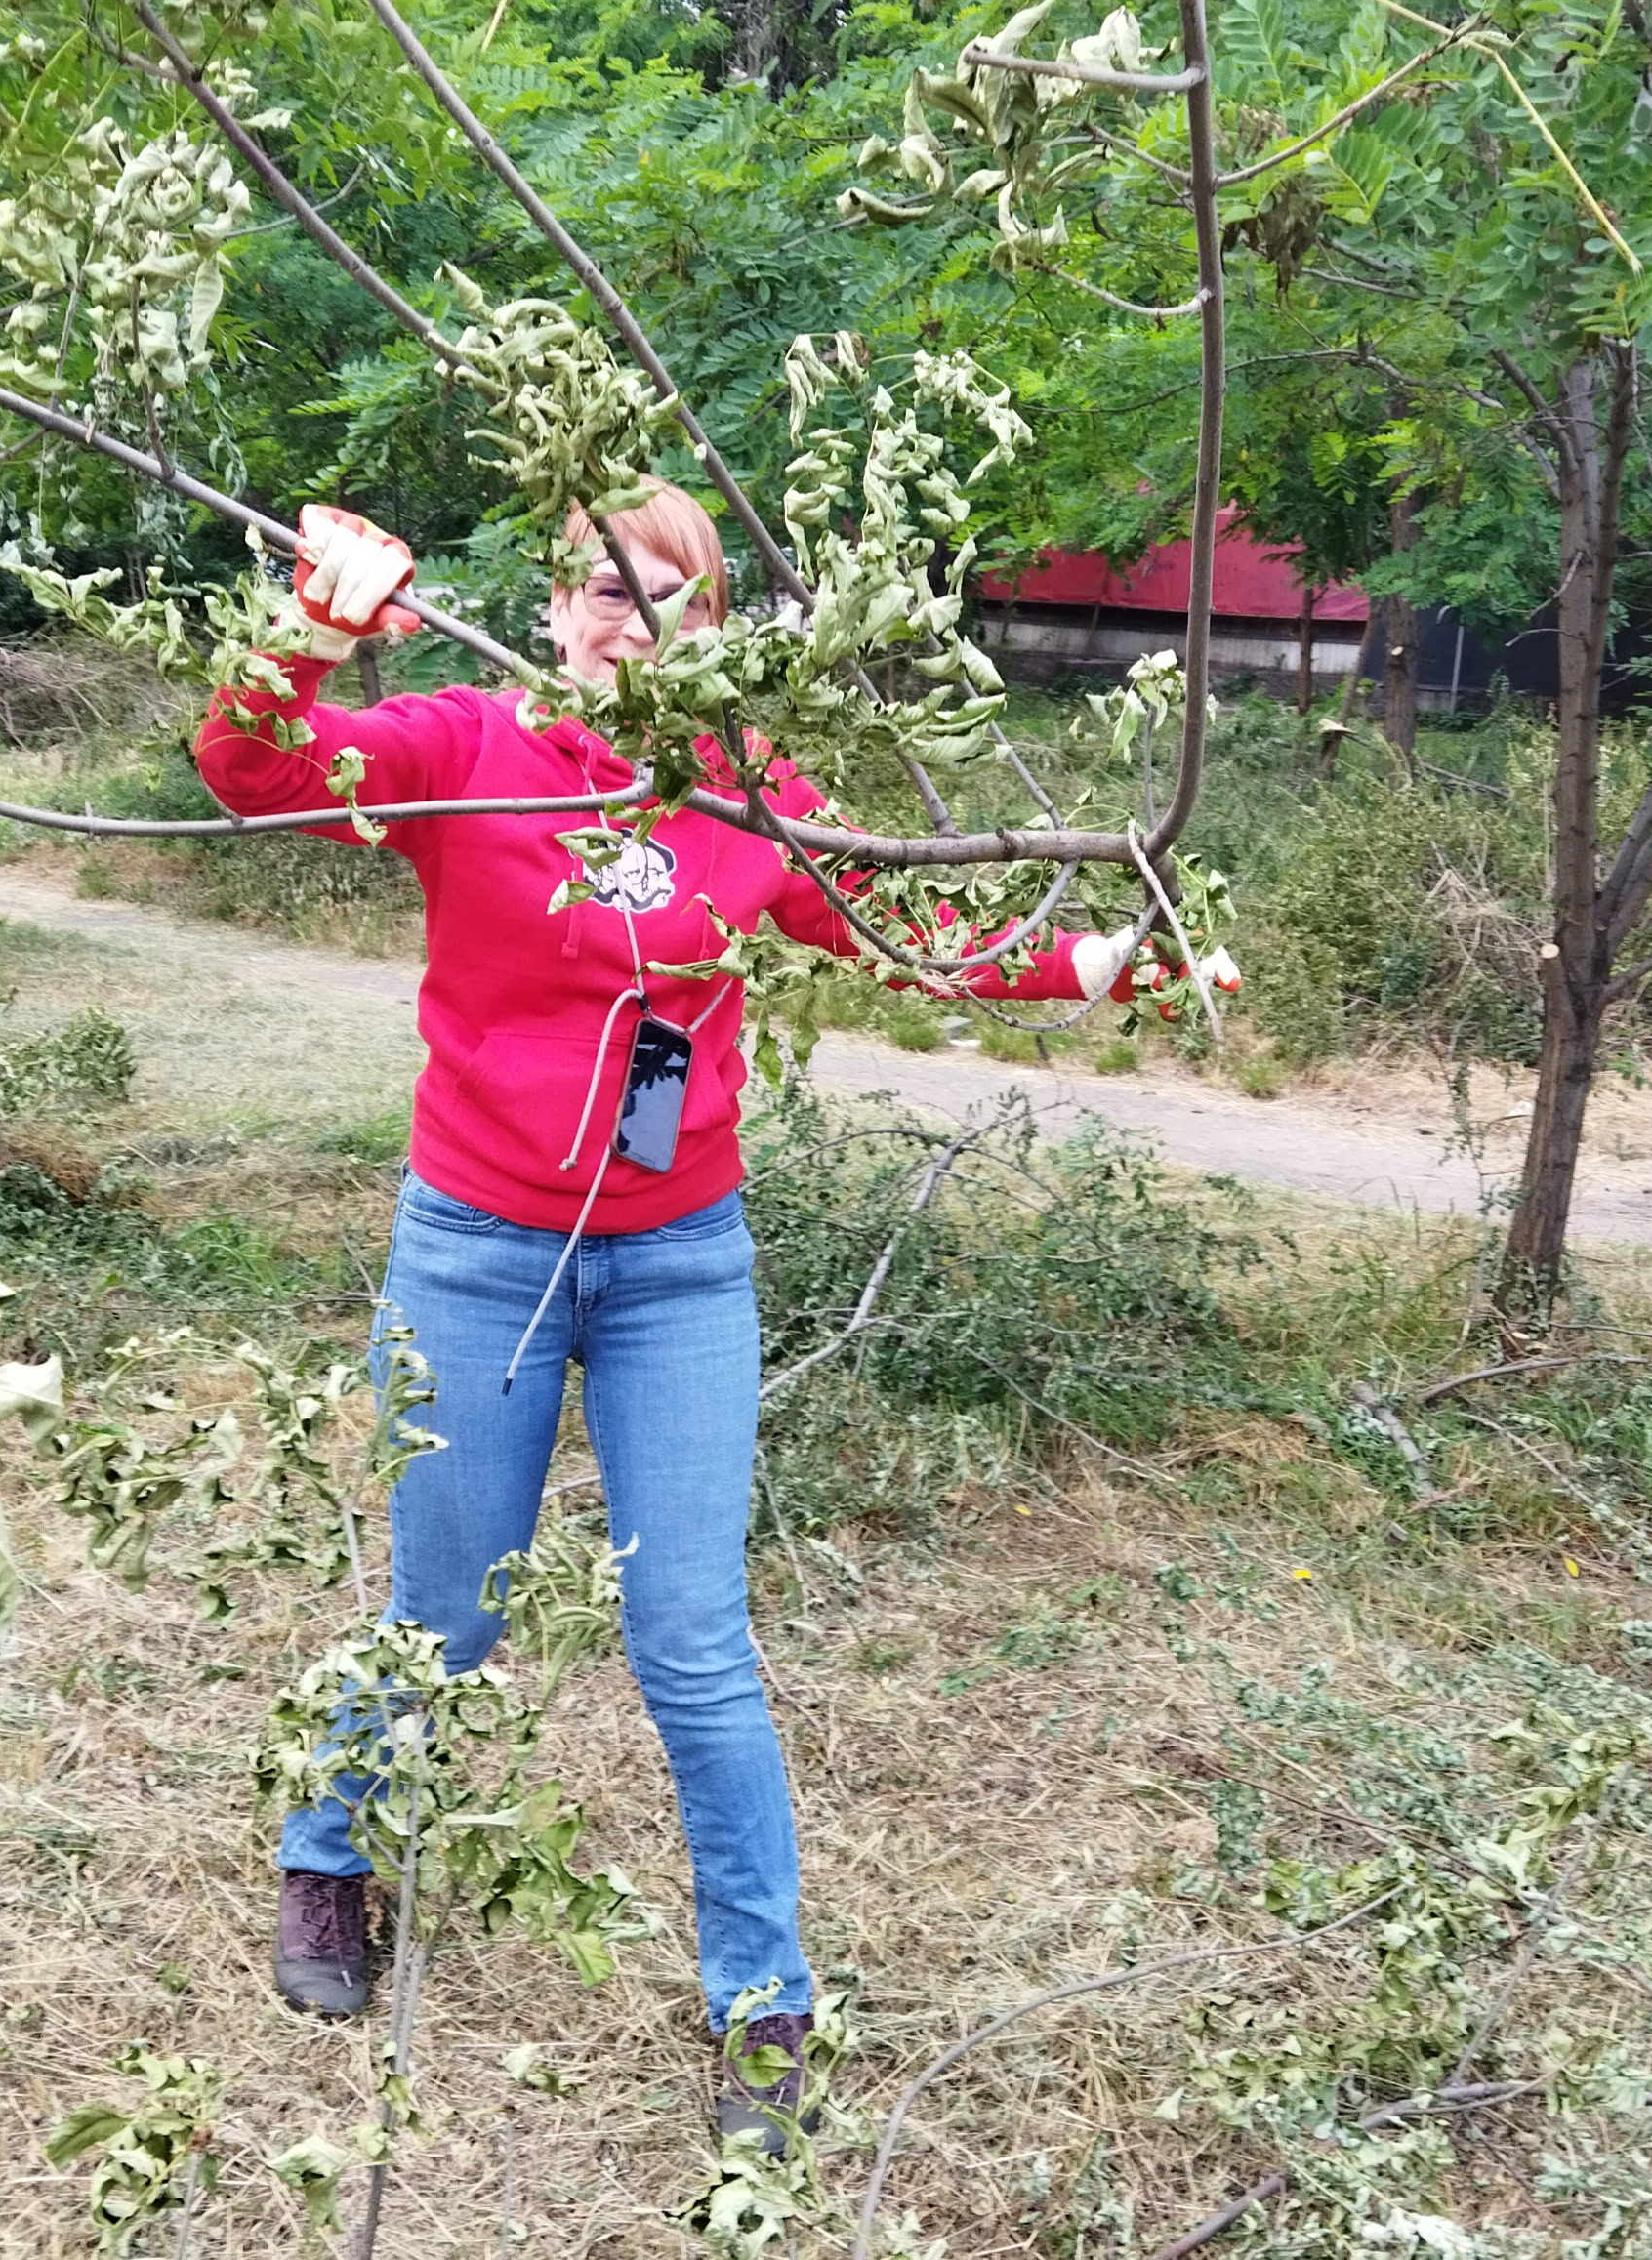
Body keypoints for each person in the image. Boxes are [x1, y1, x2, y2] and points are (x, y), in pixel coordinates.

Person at [199, 488, 1229, 2149]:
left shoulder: (749, 795)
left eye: (666, 596)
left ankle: (765, 2003)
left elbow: (917, 936)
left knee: (692, 1644)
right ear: (549, 609)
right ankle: (325, 1859)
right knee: (447, 1614)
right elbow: (249, 774)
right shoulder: (463, 743)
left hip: (680, 1263)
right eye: (597, 589)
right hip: (474, 1249)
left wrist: (1099, 964)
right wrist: (311, 632)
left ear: (716, 630)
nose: (627, 619)